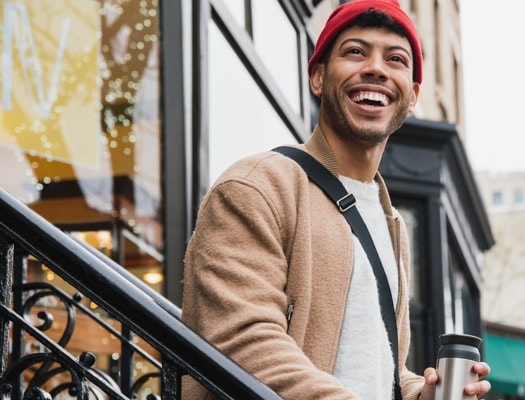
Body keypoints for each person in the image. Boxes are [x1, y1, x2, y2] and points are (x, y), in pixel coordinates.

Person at [181, 0, 491, 398]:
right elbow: (244, 344)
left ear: (412, 97)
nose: (377, 68)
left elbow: (380, 370)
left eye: (395, 59)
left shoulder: (391, 222)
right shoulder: (256, 186)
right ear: (317, 77)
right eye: (355, 52)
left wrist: (422, 393)